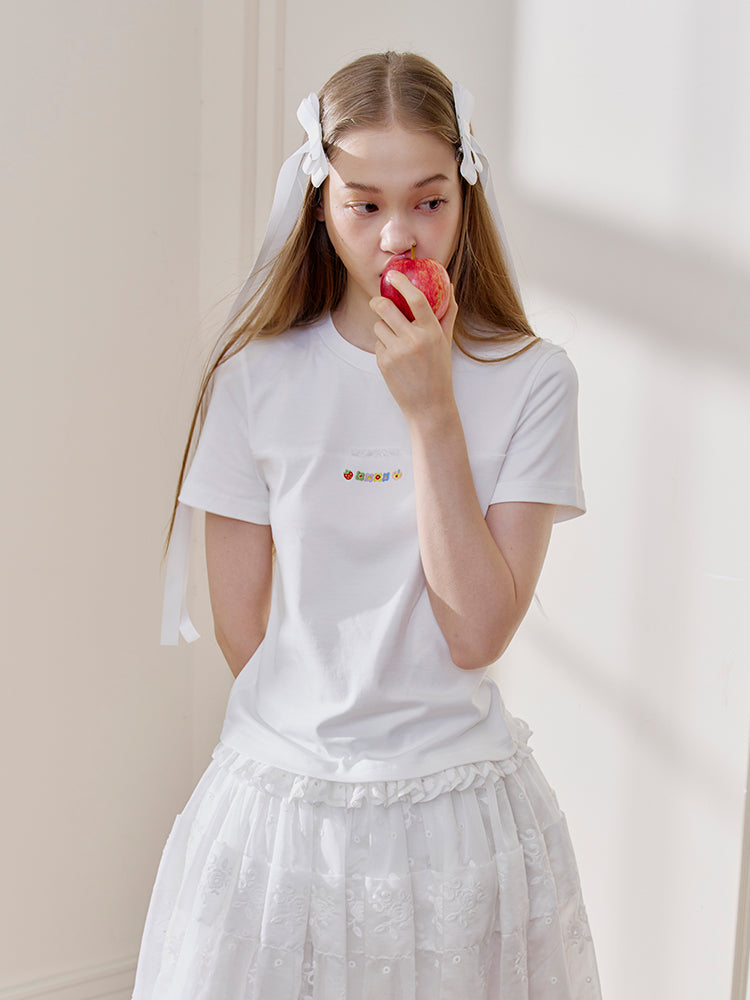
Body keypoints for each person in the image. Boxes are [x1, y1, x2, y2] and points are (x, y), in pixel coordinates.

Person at [132, 51, 602, 1000]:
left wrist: (432, 411)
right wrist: (329, 751)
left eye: (429, 200)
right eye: (365, 202)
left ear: (467, 194)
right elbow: (247, 632)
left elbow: (476, 630)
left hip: (458, 823)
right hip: (281, 813)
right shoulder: (254, 378)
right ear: (319, 201)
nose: (399, 235)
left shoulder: (532, 380)